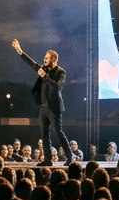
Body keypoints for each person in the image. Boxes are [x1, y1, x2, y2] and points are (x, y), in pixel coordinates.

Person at [11, 39, 74, 167]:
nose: (44, 60)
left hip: (54, 108)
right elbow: (32, 64)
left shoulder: (61, 72)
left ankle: (70, 156)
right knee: (44, 134)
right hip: (43, 107)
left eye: (47, 58)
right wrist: (20, 52)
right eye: (44, 58)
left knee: (58, 132)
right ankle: (47, 160)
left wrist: (45, 76)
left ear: (54, 60)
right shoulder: (44, 68)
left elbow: (57, 86)